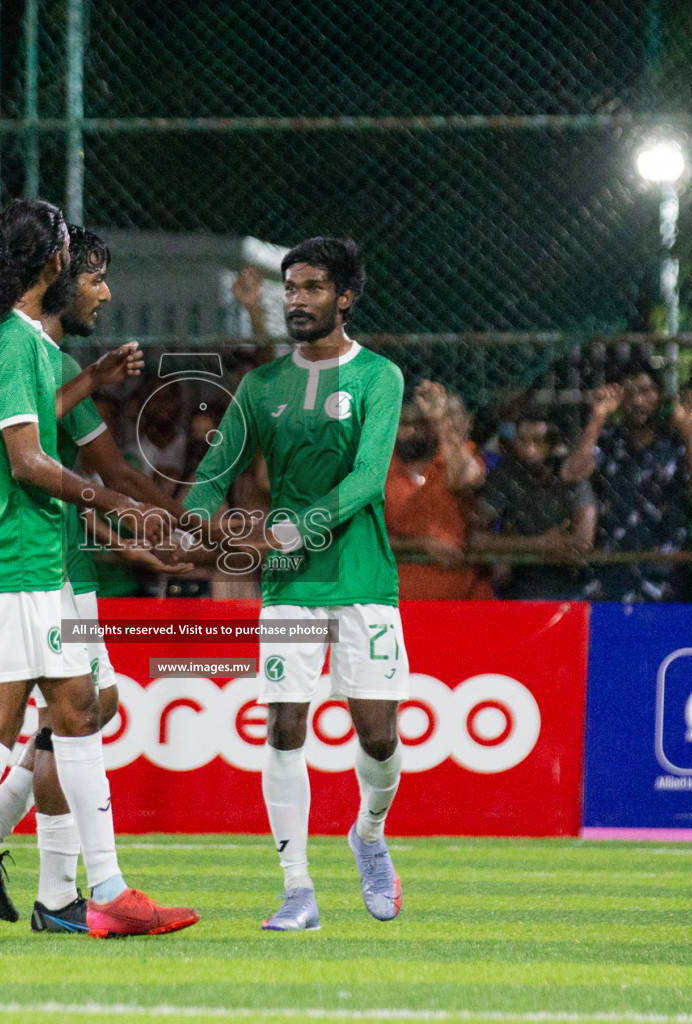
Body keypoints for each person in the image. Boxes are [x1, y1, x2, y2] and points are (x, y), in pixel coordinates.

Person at [0, 198, 196, 944]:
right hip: (25, 555)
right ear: (54, 261)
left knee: (55, 714)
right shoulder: (20, 343)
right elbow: (28, 463)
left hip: (5, 552)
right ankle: (93, 894)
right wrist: (119, 510)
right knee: (61, 713)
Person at [184, 237, 407, 932]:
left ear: (344, 296)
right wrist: (194, 521)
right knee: (284, 726)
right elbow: (216, 471)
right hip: (288, 586)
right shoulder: (261, 386)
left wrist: (286, 530)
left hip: (362, 577)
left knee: (377, 737)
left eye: (312, 288)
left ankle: (368, 834)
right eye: (291, 288)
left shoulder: (379, 378)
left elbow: (367, 481)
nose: (297, 300)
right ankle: (297, 888)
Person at [561, 360, 692, 602]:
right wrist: (597, 417)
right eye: (630, 393)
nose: (638, 401)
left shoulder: (676, 442)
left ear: (660, 395)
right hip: (610, 572)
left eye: (646, 391)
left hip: (664, 574)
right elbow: (572, 474)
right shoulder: (607, 440)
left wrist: (687, 431)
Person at [471, 403, 596, 600]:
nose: (530, 451)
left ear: (553, 444)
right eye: (523, 441)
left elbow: (583, 541)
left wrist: (508, 544)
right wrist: (539, 544)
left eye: (538, 441)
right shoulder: (506, 475)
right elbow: (476, 538)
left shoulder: (570, 476)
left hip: (569, 588)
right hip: (518, 587)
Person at [383, 380, 492, 599]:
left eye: (420, 423)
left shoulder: (457, 456)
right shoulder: (380, 465)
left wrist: (441, 419)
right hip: (396, 601)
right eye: (403, 423)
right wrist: (421, 545)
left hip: (462, 598)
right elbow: (366, 536)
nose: (410, 431)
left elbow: (466, 478)